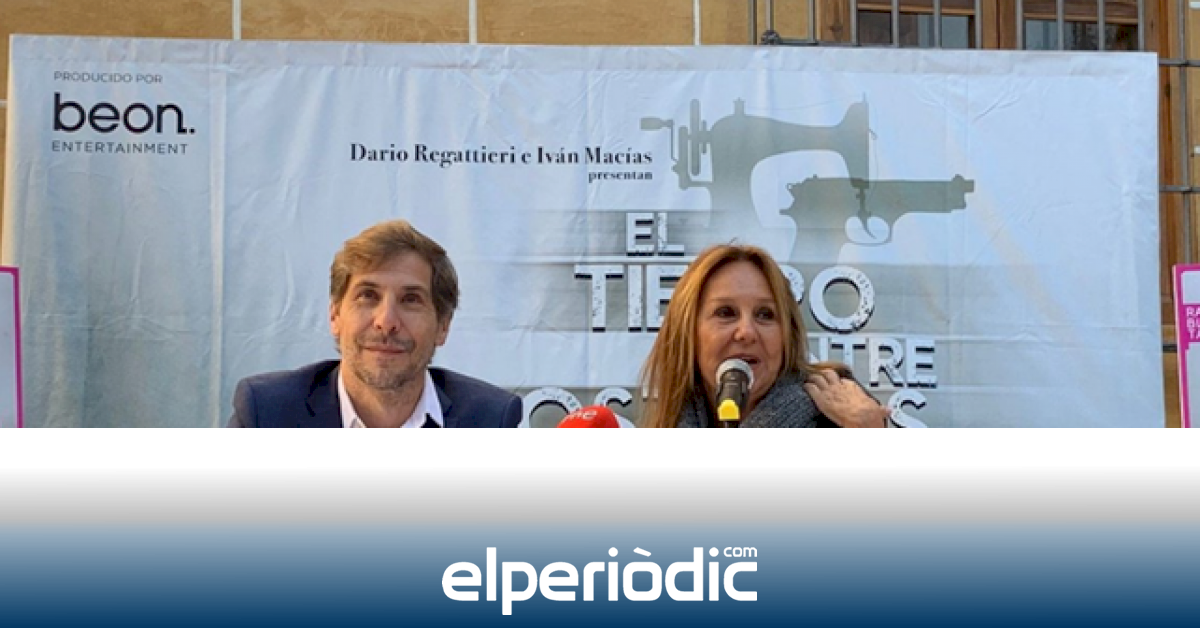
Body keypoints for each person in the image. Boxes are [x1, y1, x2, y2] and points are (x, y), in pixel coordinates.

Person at [227, 219, 522, 428]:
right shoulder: (267, 413)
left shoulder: (490, 420)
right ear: (335, 315)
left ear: (443, 326)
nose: (386, 322)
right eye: (368, 296)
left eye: (410, 300)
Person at [639, 243, 895, 428]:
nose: (746, 332)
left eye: (765, 315)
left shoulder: (839, 421)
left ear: (786, 335)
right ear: (688, 332)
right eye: (726, 313)